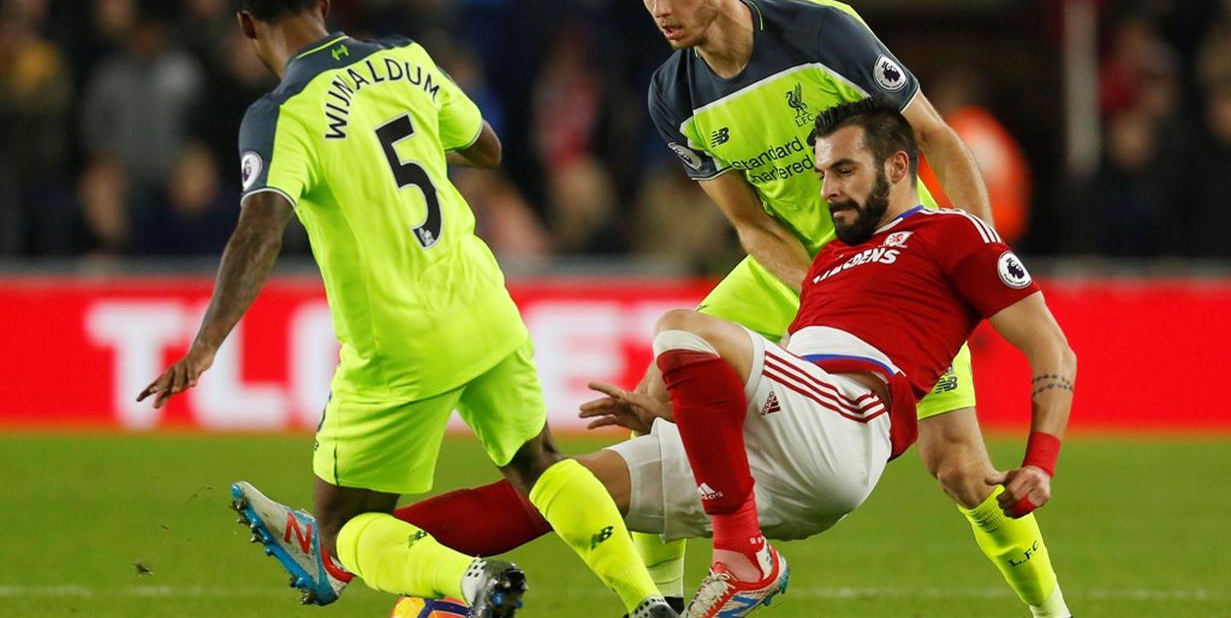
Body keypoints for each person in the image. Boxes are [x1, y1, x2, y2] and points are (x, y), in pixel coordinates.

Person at [135, 0, 675, 618]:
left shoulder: (281, 114)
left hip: (399, 343)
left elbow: (260, 228)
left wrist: (208, 343)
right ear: (322, 3)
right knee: (539, 461)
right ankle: (648, 602)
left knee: (341, 530)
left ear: (246, 25)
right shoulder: (405, 58)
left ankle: (470, 581)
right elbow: (486, 147)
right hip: (480, 302)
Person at [385, 97, 1076, 617]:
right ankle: (352, 547)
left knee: (684, 328)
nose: (828, 189)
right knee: (560, 489)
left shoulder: (952, 233)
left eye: (844, 170)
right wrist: (668, 410)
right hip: (778, 446)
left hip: (848, 422)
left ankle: (741, 557)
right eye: (821, 173)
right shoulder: (827, 263)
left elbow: (1051, 345)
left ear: (898, 166)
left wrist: (1040, 461)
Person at [619, 0, 1071, 616]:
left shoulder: (820, 32)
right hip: (787, 268)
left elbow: (937, 138)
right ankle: (663, 605)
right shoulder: (672, 94)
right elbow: (749, 221)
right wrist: (822, 295)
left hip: (900, 265)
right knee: (653, 405)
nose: (659, 6)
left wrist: (979, 260)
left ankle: (1052, 612)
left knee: (958, 468)